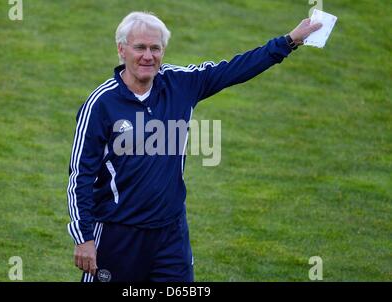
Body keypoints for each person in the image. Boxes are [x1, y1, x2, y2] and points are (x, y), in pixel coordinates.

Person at [66, 11, 322, 282]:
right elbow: (80, 176)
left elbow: (233, 69)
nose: (148, 56)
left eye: (156, 48)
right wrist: (84, 238)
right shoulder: (100, 104)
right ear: (121, 49)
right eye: (140, 47)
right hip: (120, 235)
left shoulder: (181, 84)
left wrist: (289, 41)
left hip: (170, 235)